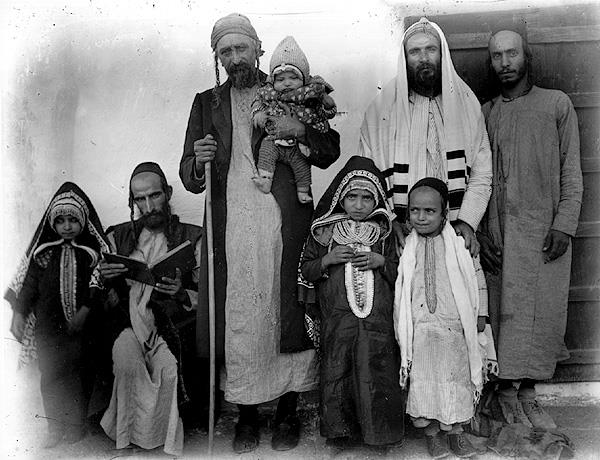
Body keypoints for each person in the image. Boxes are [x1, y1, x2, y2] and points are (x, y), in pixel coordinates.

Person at [179, 13, 340, 453]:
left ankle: (287, 410)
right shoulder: (206, 103)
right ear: (218, 57)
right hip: (233, 225)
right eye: (225, 52)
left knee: (286, 306)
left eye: (241, 49)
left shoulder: (289, 86)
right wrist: (199, 157)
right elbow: (190, 177)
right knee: (244, 317)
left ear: (258, 48)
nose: (234, 58)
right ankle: (248, 415)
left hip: (284, 221)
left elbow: (329, 150)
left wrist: (300, 129)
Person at [479, 29, 583, 429]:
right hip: (499, 233)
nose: (505, 63)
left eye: (512, 54)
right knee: (503, 314)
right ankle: (506, 393)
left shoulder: (557, 104)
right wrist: (484, 231)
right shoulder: (487, 112)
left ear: (527, 57)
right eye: (497, 56)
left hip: (544, 233)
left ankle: (528, 394)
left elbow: (572, 173)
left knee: (540, 316)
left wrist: (565, 225)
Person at [358, 17, 492, 255]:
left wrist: (467, 221)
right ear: (405, 58)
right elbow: (368, 173)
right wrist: (389, 221)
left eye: (431, 49)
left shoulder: (466, 104)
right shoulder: (381, 109)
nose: (423, 58)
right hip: (400, 233)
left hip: (456, 231)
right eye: (415, 52)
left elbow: (482, 172)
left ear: (442, 54)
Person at [96, 162, 202, 456]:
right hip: (127, 324)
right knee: (129, 365)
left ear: (167, 194)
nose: (148, 206)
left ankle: (161, 442)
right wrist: (106, 280)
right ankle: (128, 439)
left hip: (169, 327)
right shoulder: (117, 235)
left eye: (154, 196)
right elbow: (98, 295)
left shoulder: (193, 236)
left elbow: (208, 295)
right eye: (139, 199)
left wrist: (182, 293)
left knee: (168, 370)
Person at [300, 156, 404, 451]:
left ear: (378, 199)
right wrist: (328, 259)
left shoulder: (385, 234)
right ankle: (341, 435)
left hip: (377, 322)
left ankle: (380, 435)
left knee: (378, 370)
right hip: (338, 319)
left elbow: (403, 272)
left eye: (367, 198)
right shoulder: (324, 233)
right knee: (337, 371)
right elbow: (306, 269)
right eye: (352, 197)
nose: (359, 204)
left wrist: (381, 261)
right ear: (340, 198)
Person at [5, 182, 111, 448]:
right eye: (61, 220)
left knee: (78, 377)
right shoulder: (43, 254)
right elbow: (28, 286)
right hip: (48, 331)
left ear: (82, 222)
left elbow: (96, 288)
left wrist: (85, 312)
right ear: (52, 223)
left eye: (73, 220)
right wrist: (19, 312)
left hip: (80, 329)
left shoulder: (91, 255)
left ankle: (75, 426)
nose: (66, 226)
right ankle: (54, 428)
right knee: (50, 377)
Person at [395, 178, 495, 459]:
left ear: (444, 213)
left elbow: (478, 281)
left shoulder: (460, 244)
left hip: (454, 327)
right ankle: (431, 435)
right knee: (424, 380)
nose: (421, 217)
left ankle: (456, 433)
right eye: (415, 211)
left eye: (430, 211)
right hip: (421, 329)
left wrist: (481, 315)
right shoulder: (406, 246)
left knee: (455, 380)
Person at [252, 35, 337, 203]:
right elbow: (259, 103)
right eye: (281, 79)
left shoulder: (311, 94)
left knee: (302, 166)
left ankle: (303, 191)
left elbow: (326, 115)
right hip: (274, 140)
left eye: (293, 78)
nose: (287, 83)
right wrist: (258, 113)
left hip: (299, 146)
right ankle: (265, 180)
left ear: (304, 78)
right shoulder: (268, 93)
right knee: (266, 151)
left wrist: (327, 104)